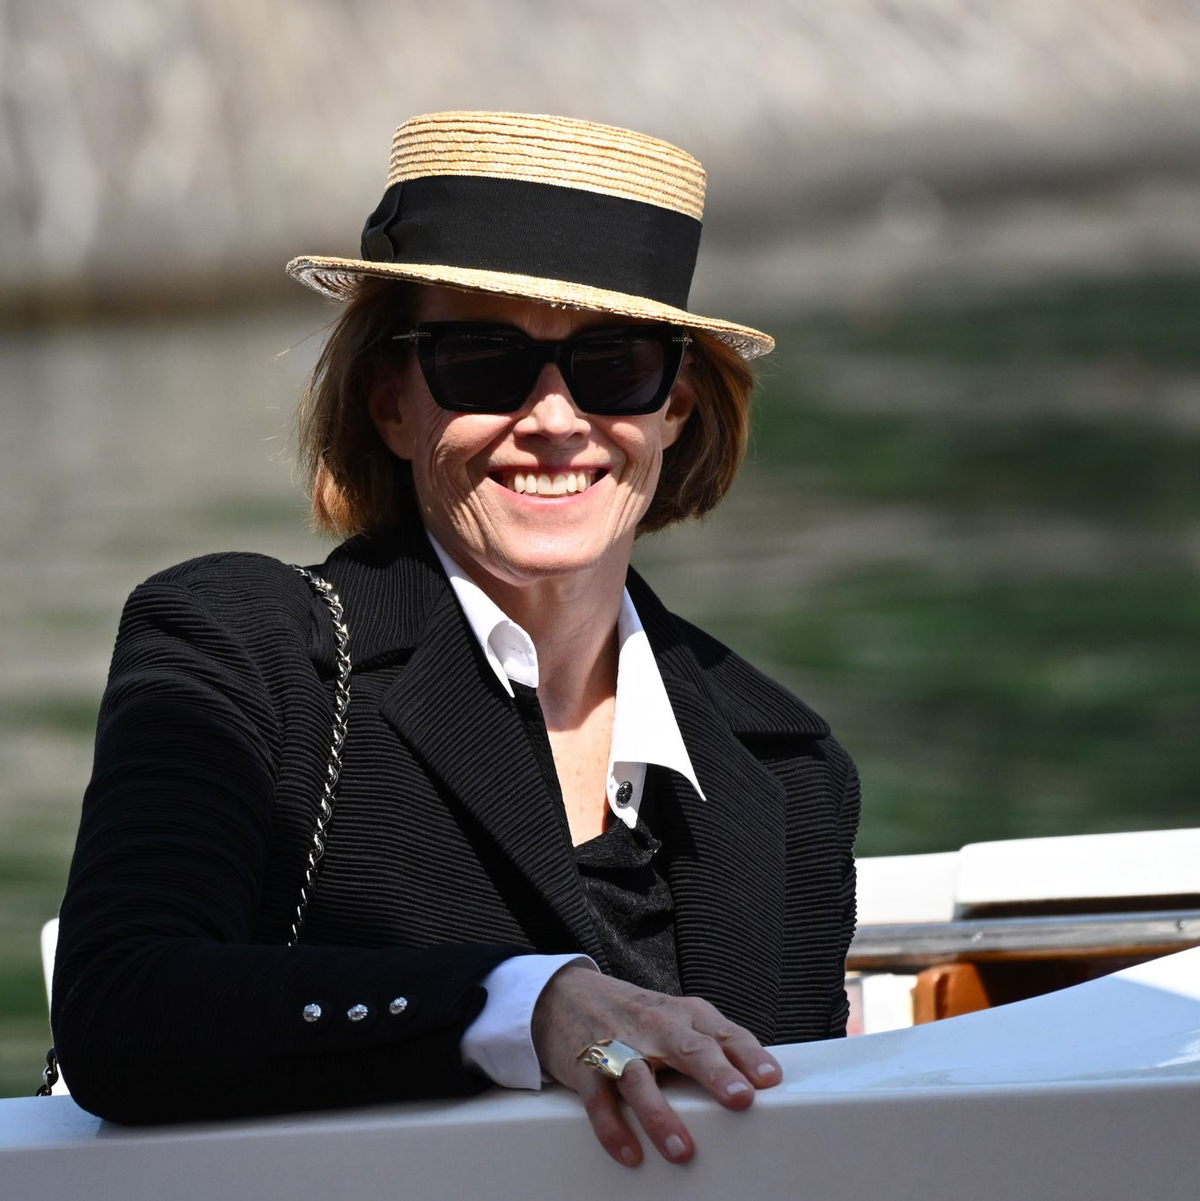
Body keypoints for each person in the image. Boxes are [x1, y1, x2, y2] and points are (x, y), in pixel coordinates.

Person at [52, 111, 860, 1168]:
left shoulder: (790, 766)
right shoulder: (246, 648)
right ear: (390, 402)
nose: (556, 419)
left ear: (678, 408)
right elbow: (122, 1009)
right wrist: (524, 1006)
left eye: (614, 363)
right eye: (485, 359)